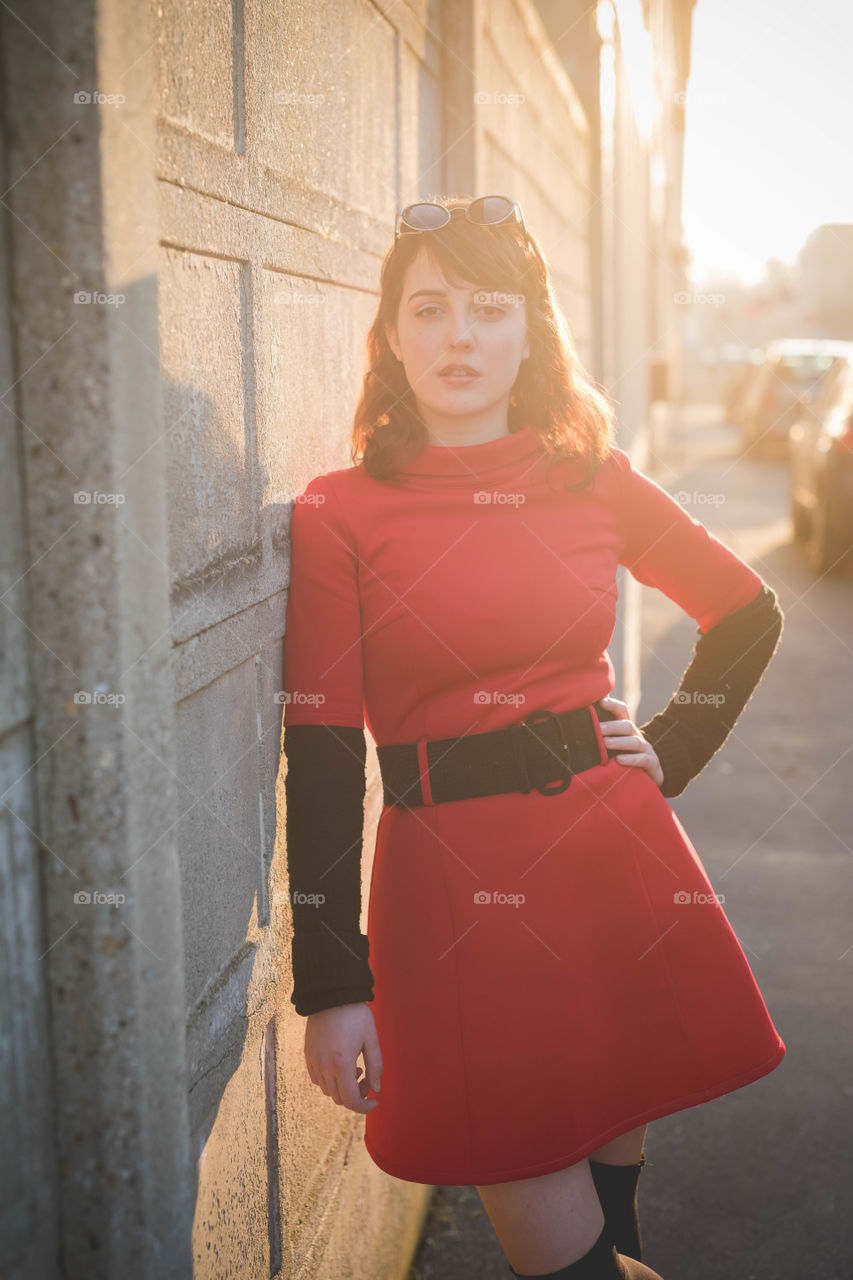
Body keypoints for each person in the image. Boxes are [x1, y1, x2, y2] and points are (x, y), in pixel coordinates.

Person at [281, 194, 786, 1279]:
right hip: (454, 900)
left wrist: (675, 745)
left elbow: (745, 610)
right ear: (390, 333)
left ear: (531, 331)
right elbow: (320, 752)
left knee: (615, 1197)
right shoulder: (338, 512)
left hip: (612, 857)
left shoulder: (589, 475)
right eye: (429, 308)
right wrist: (330, 979)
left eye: (487, 307)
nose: (457, 336)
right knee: (552, 1236)